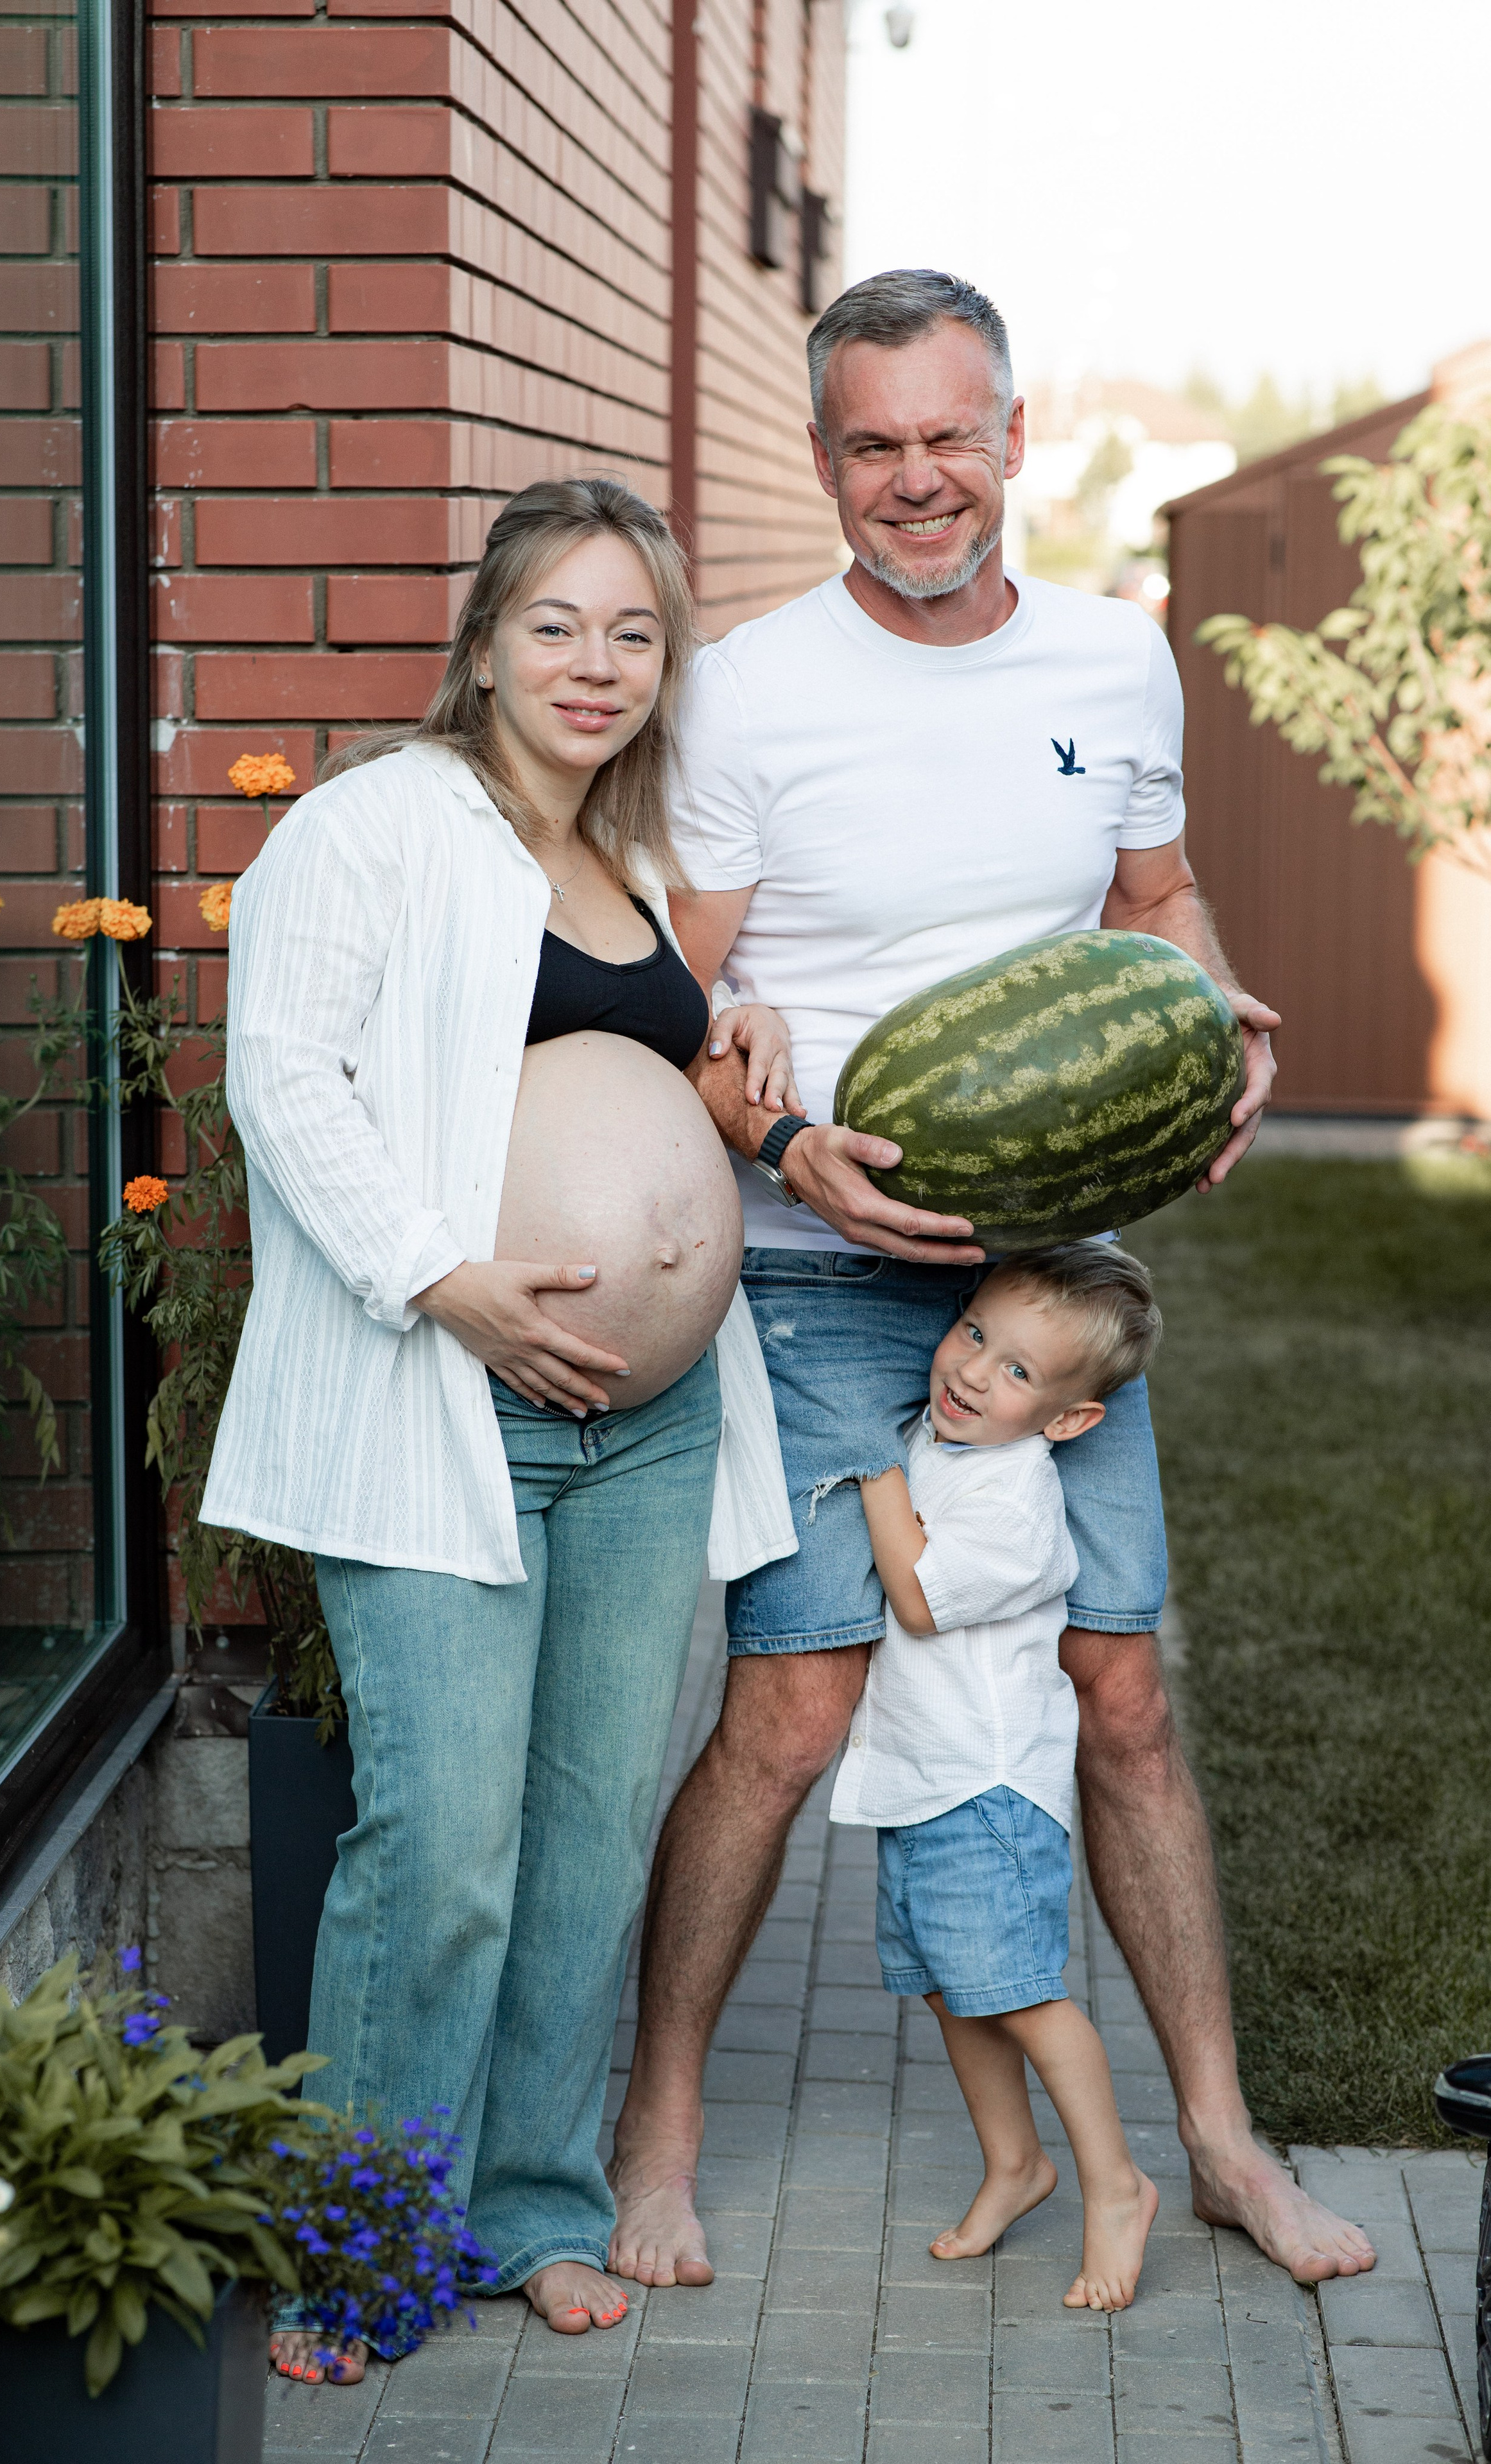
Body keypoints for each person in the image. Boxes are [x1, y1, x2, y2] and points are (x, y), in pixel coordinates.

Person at [606, 268, 1378, 2289]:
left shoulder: (1121, 664)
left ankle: (1215, 2141)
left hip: (1054, 1266)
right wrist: (780, 1144)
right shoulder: (750, 692)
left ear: (1018, 439)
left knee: (1119, 1690)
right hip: (814, 1255)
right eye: (876, 444)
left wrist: (1221, 1013)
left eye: (955, 435)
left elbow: (1155, 899)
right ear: (826, 464)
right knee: (794, 1704)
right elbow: (682, 995)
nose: (920, 479)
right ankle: (657, 2140)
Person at [200, 478, 799, 2381]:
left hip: (650, 1426)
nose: (597, 665)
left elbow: (633, 1058)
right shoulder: (373, 828)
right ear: (483, 643)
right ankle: (360, 2247)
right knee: (440, 1846)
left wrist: (743, 1031)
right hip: (441, 1404)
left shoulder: (626, 850)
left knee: (591, 1832)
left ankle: (534, 2205)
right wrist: (442, 1279)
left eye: (635, 633)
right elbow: (282, 1080)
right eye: (559, 625)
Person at [836, 1245, 1163, 2313]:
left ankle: (1117, 2185)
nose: (975, 1372)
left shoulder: (1018, 1500)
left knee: (1021, 1994)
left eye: (1018, 1372)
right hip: (923, 1780)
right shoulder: (945, 1442)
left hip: (988, 1790)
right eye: (975, 1334)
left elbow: (924, 1596)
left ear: (1067, 1422)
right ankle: (1017, 2164)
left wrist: (872, 1467)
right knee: (952, 1984)